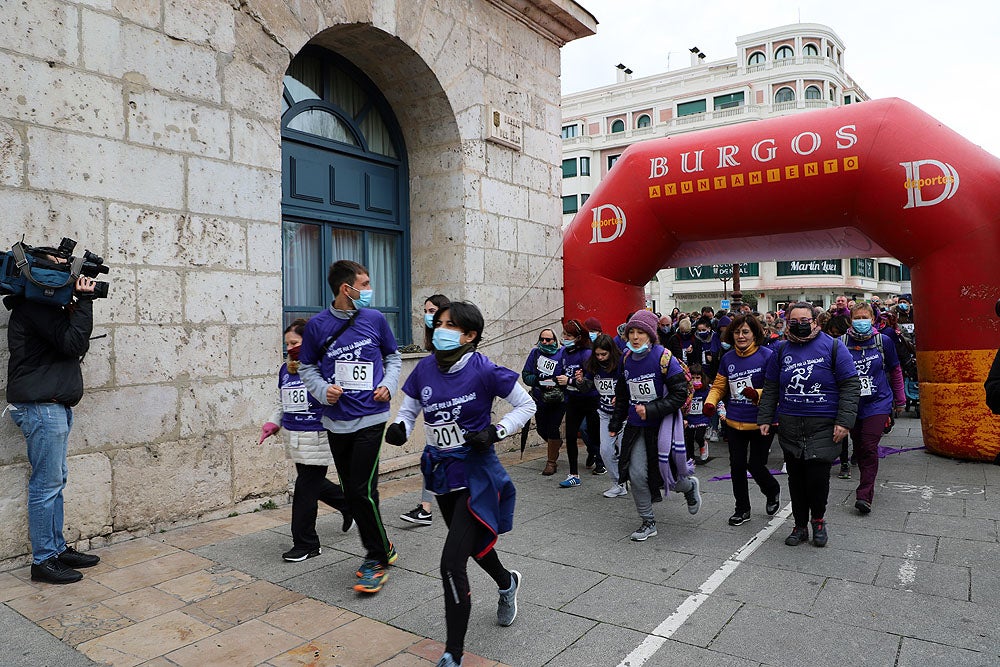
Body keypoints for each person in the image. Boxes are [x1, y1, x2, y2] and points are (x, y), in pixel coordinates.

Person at [383, 301, 534, 667]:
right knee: (475, 546)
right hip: (440, 474)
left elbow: (526, 405)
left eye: (449, 324)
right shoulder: (424, 369)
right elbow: (409, 409)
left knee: (452, 562)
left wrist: (496, 431)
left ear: (469, 336)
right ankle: (506, 582)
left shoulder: (483, 369)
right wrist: (401, 428)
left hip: (475, 474)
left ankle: (453, 653)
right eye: (438, 322)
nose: (439, 327)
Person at [297, 260, 402, 594]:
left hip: (371, 416)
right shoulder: (316, 326)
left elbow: (393, 358)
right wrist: (321, 390)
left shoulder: (375, 319)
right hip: (336, 421)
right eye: (365, 284)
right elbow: (306, 367)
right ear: (347, 289)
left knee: (358, 490)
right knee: (360, 492)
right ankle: (383, 546)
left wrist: (388, 383)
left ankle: (376, 558)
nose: (369, 290)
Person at [5, 268, 102, 584]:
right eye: (59, 272)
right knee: (46, 485)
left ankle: (56, 549)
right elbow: (74, 344)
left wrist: (75, 309)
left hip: (51, 406)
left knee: (54, 480)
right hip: (41, 408)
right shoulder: (35, 310)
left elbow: (75, 345)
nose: (67, 279)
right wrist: (85, 302)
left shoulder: (46, 311)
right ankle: (44, 560)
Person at [757, 302, 860, 548]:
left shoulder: (834, 347)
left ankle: (819, 521)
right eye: (794, 321)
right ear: (787, 322)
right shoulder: (781, 350)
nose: (800, 325)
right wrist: (765, 418)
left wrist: (844, 422)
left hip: (823, 425)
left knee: (817, 479)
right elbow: (771, 387)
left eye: (805, 320)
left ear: (815, 321)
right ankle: (800, 525)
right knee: (796, 479)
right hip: (791, 426)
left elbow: (850, 385)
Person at [260, 319, 353, 561]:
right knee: (311, 483)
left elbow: (338, 397)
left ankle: (307, 544)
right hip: (295, 437)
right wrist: (273, 422)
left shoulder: (324, 366)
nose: (290, 347)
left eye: (295, 342)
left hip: (318, 434)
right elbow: (281, 402)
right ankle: (348, 504)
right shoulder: (285, 369)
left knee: (304, 490)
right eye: (287, 343)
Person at [609, 310, 701, 542]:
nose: (635, 337)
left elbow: (680, 394)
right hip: (636, 427)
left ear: (651, 335)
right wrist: (615, 421)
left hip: (663, 428)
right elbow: (622, 394)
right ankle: (648, 521)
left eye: (641, 332)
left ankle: (688, 487)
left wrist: (651, 409)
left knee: (667, 475)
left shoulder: (665, 358)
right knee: (636, 474)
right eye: (632, 332)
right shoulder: (626, 358)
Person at [704, 314, 781, 526]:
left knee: (755, 465)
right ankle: (742, 509)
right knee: (737, 466)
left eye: (745, 332)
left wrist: (756, 393)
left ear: (755, 334)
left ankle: (772, 490)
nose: (740, 336)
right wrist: (710, 402)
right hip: (734, 420)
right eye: (737, 332)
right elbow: (719, 386)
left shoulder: (768, 356)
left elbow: (776, 389)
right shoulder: (728, 358)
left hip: (762, 421)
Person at [840, 303, 905, 513]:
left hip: (878, 402)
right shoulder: (841, 343)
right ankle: (864, 472)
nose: (861, 321)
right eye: (857, 317)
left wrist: (900, 399)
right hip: (851, 404)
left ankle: (865, 494)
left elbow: (895, 370)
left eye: (864, 317)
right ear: (850, 320)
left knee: (869, 446)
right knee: (858, 445)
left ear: (872, 320)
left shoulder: (883, 341)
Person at [400, 294, 450, 527]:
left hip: (455, 412)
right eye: (426, 311)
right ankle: (426, 508)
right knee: (431, 457)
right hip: (436, 414)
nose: (427, 316)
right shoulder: (430, 351)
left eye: (432, 311)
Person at [554, 319, 604, 486]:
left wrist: (570, 381)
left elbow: (588, 384)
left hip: (590, 400)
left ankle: (601, 460)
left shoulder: (587, 354)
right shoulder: (564, 352)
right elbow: (559, 371)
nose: (565, 338)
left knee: (594, 434)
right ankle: (573, 474)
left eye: (568, 335)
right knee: (570, 436)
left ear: (578, 337)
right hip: (573, 400)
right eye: (564, 334)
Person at [581, 334, 627, 497]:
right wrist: (580, 381)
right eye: (597, 354)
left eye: (604, 354)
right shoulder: (593, 365)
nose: (600, 358)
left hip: (624, 416)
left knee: (625, 451)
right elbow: (587, 387)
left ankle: (632, 480)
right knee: (606, 451)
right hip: (605, 413)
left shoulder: (621, 363)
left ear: (611, 352)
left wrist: (621, 396)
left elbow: (629, 383)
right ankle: (617, 484)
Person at [522, 328, 565, 475]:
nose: (545, 342)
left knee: (553, 427)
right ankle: (555, 444)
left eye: (548, 339)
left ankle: (551, 462)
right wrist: (540, 381)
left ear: (555, 340)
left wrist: (553, 382)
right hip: (540, 398)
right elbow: (526, 375)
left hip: (558, 399)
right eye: (542, 339)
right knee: (541, 429)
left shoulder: (562, 354)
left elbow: (567, 376)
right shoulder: (535, 353)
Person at [684, 362, 711, 462]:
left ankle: (703, 444)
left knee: (699, 436)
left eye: (698, 378)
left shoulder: (706, 390)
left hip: (702, 417)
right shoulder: (687, 390)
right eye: (693, 378)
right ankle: (691, 457)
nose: (695, 381)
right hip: (690, 418)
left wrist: (721, 412)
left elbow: (714, 400)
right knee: (689, 438)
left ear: (702, 377)